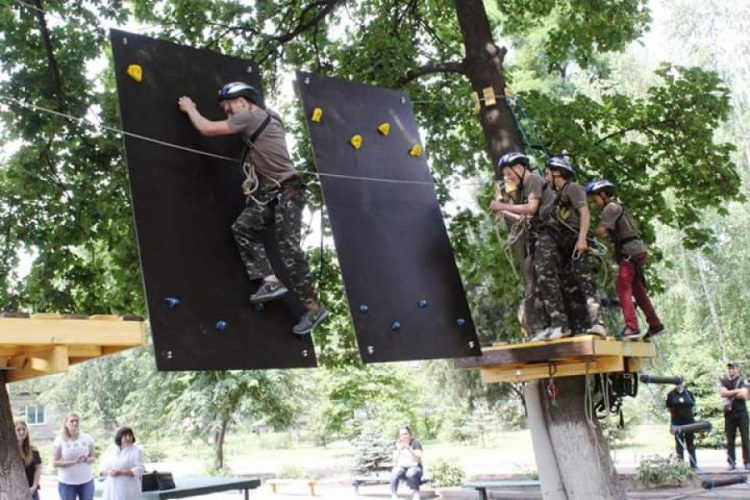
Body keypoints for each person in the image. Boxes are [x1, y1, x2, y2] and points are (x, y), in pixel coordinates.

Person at [178, 82, 327, 335]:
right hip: (271, 195)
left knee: (289, 249)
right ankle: (269, 281)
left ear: (244, 101)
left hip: (288, 191)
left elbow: (206, 128)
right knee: (243, 228)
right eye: (225, 109)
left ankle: (315, 308)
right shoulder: (270, 117)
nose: (228, 112)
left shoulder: (250, 116)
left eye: (229, 106)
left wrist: (190, 108)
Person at [490, 152, 568, 340]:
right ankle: (544, 326)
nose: (507, 178)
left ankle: (561, 324)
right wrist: (505, 212)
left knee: (545, 274)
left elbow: (532, 208)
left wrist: (503, 207)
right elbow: (524, 219)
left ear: (519, 168)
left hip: (548, 233)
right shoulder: (522, 190)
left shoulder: (533, 179)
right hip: (535, 235)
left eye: (509, 173)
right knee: (532, 279)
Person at [586, 179, 665, 340]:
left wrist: (586, 234)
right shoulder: (618, 208)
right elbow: (610, 233)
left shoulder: (611, 207)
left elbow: (602, 229)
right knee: (637, 290)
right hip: (635, 250)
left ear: (603, 194)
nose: (595, 203)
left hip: (630, 251)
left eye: (595, 199)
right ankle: (655, 323)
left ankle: (632, 326)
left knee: (622, 287)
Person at [544, 156, 605, 336]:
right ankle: (580, 326)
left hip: (576, 238)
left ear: (557, 172)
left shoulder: (574, 188)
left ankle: (598, 322)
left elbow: (585, 213)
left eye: (547, 173)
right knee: (571, 286)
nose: (546, 177)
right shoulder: (557, 197)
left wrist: (582, 238)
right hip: (565, 242)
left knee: (585, 283)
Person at [53, 413, 96, 500]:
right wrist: (74, 462)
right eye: (72, 421)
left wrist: (86, 459)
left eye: (76, 421)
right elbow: (55, 463)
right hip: (67, 483)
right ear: (66, 423)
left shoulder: (87, 438)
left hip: (86, 481)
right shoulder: (59, 440)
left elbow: (93, 458)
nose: (74, 423)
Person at [100, 426, 146, 500]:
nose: (128, 438)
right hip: (111, 488)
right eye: (125, 435)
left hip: (128, 488)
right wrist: (109, 472)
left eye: (129, 435)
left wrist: (121, 472)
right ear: (119, 437)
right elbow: (102, 468)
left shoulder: (136, 451)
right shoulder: (111, 450)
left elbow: (140, 469)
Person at [719, 362, 750, 470]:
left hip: (741, 413)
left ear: (738, 369)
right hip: (729, 414)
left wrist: (729, 392)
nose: (731, 370)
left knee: (745, 438)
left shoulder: (743, 381)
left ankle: (747, 462)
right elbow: (722, 393)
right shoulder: (724, 381)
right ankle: (731, 462)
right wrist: (737, 391)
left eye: (733, 368)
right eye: (729, 368)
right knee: (730, 439)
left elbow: (744, 395)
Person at [666, 383, 697, 468]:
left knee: (690, 443)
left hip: (689, 421)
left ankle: (693, 465)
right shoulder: (671, 394)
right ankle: (681, 466)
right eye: (676, 383)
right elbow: (668, 408)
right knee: (679, 444)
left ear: (683, 383)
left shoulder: (688, 393)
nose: (678, 385)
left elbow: (693, 405)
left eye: (680, 383)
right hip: (677, 422)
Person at [390, 425, 423, 500]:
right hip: (402, 467)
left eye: (405, 434)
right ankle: (394, 494)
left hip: (415, 466)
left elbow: (418, 458)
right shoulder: (398, 444)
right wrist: (398, 450)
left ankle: (416, 492)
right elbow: (394, 460)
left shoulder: (415, 443)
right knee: (395, 471)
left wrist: (409, 448)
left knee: (411, 473)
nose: (403, 436)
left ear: (410, 434)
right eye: (401, 434)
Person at [15, 421, 42, 500]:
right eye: (18, 430)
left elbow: (38, 469)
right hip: (14, 490)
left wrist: (34, 486)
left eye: (24, 429)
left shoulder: (33, 450)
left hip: (31, 489)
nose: (22, 432)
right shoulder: (9, 452)